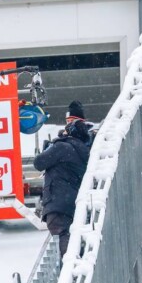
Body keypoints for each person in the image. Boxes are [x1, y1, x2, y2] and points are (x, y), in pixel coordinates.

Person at [33, 111, 89, 262]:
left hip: (57, 201)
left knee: (61, 234)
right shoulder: (83, 151)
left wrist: (54, 144)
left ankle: (68, 268)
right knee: (68, 234)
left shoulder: (62, 148)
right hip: (71, 201)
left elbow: (39, 163)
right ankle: (74, 262)